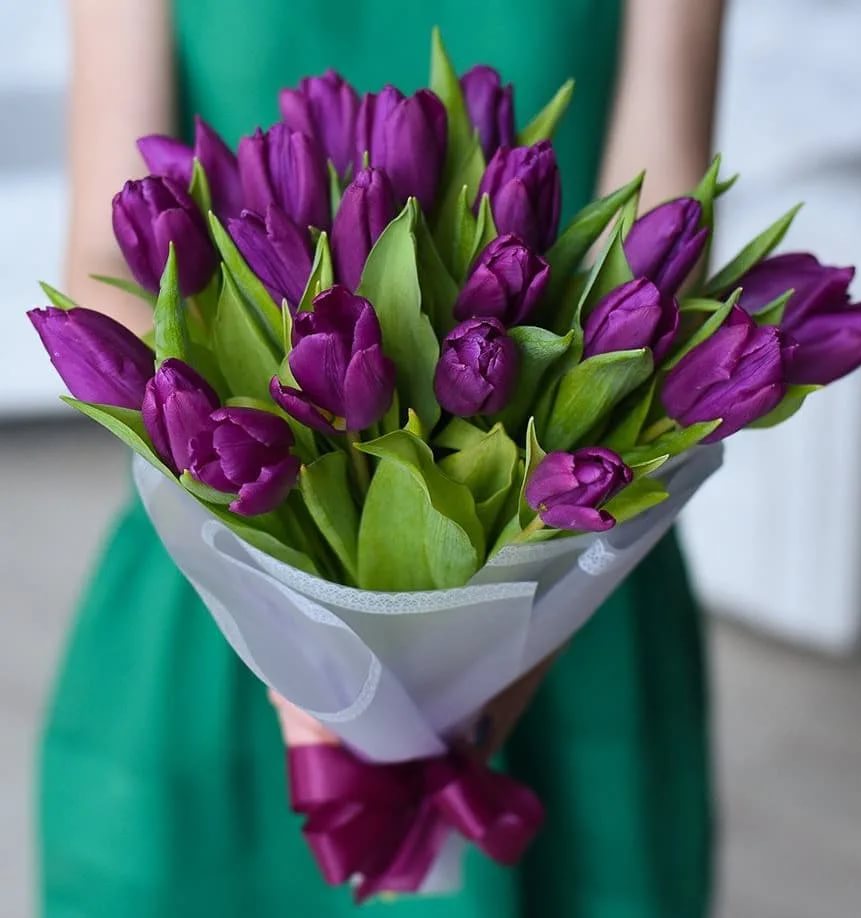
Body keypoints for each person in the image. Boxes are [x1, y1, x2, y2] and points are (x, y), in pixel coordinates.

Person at [41, 0, 725, 915]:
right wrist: (303, 634)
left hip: (564, 578)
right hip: (232, 562)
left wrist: (505, 653)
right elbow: (101, 256)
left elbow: (662, 253)